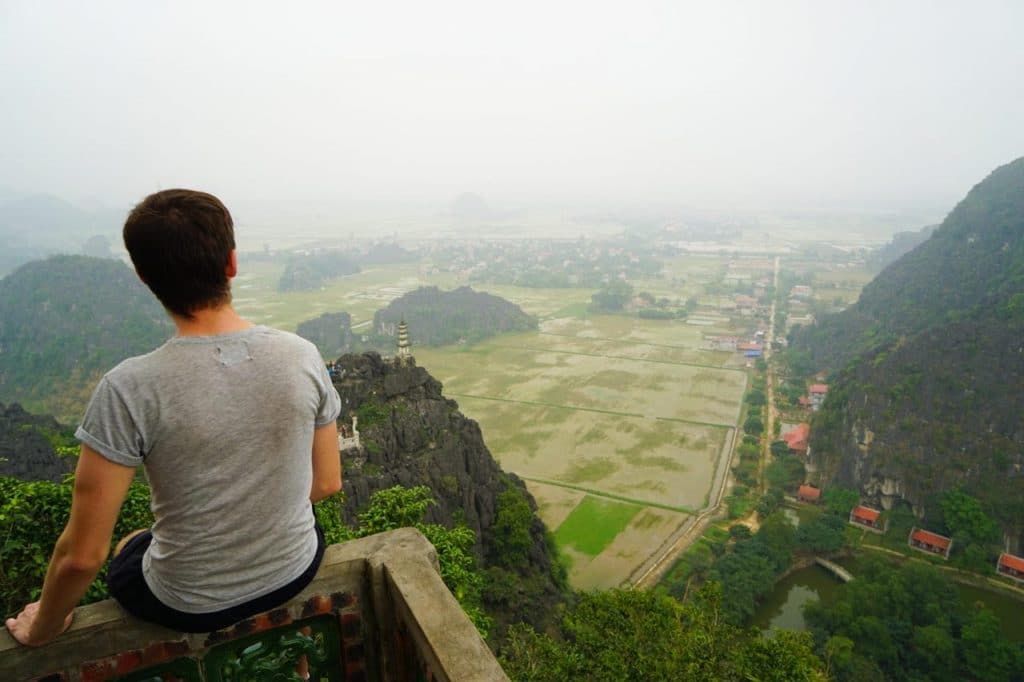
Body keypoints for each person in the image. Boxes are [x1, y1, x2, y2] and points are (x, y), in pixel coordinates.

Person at [5, 189, 342, 646]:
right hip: (295, 569)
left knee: (130, 545)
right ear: (232, 263)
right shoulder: (302, 356)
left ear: (144, 278)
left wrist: (41, 626)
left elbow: (83, 556)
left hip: (188, 603)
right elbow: (327, 484)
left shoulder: (129, 389)